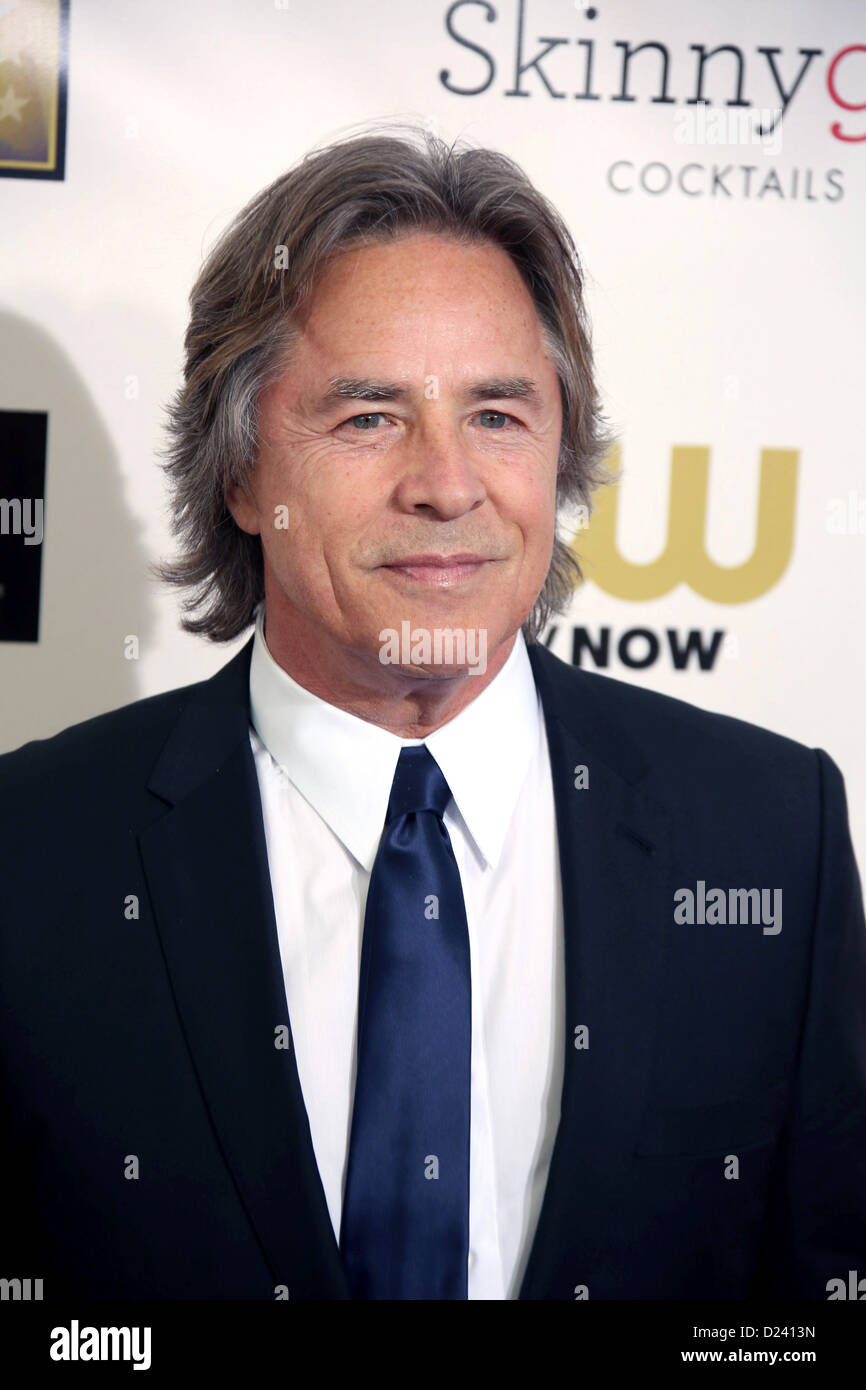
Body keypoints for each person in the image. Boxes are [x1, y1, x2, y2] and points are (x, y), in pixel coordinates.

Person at [1, 123, 864, 1301]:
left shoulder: (770, 831)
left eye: (497, 414)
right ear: (244, 472)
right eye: (368, 417)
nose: (446, 483)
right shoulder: (32, 848)